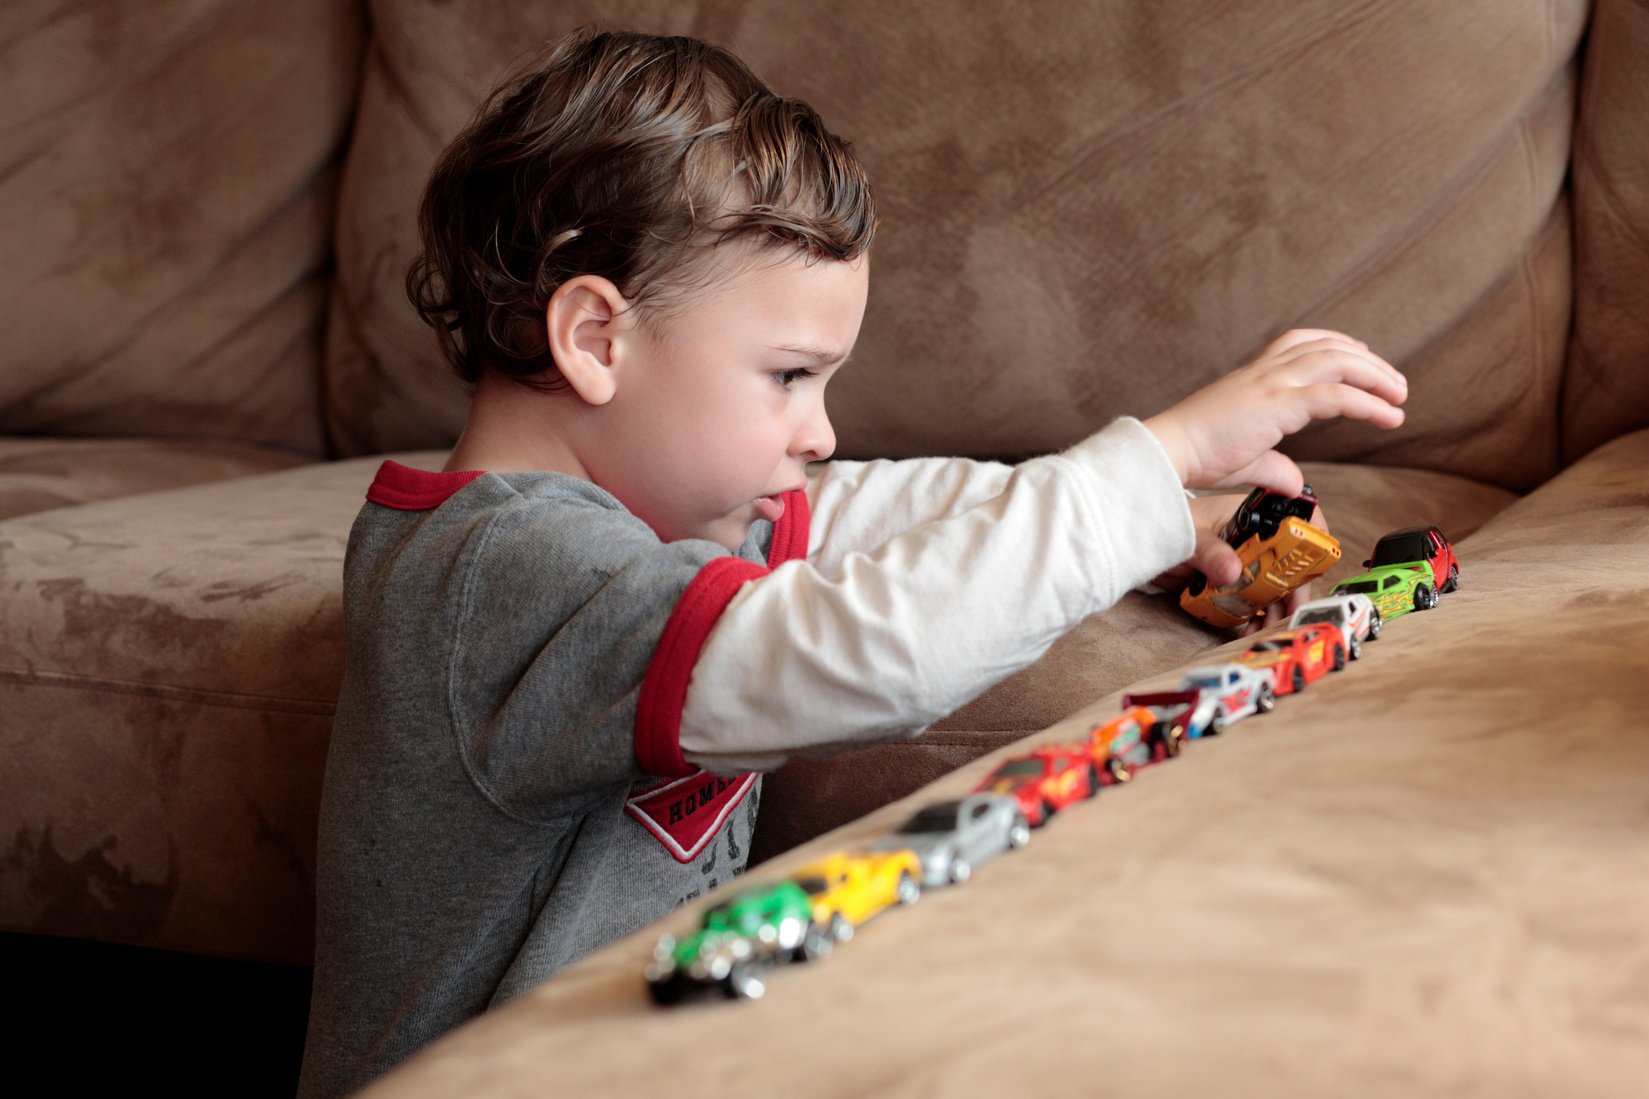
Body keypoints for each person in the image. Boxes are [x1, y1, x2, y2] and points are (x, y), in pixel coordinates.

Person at [297, 27, 1407, 1098]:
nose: (819, 430)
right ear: (595, 340)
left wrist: (1166, 524)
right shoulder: (496, 574)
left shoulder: (658, 525)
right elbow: (863, 649)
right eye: (787, 376)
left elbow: (861, 511)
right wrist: (1153, 460)